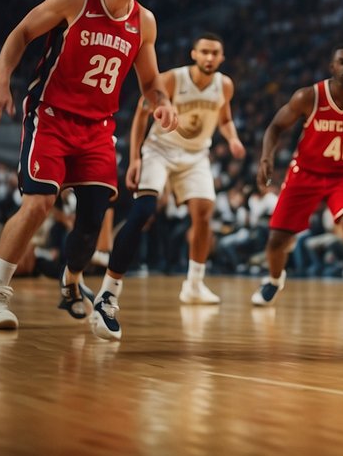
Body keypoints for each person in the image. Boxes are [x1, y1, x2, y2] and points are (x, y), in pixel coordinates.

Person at [0, 0, 177, 333]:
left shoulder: (144, 21)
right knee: (39, 203)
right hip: (52, 116)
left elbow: (151, 82)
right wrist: (1, 83)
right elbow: (21, 33)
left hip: (97, 129)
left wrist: (162, 102)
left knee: (93, 219)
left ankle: (71, 281)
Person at [99, 33, 246, 329]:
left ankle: (194, 285)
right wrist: (136, 157)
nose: (209, 57)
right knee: (143, 211)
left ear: (221, 57)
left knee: (204, 213)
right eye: (204, 51)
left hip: (196, 155)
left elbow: (225, 118)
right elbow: (141, 116)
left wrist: (233, 138)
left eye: (214, 53)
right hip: (160, 149)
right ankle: (109, 289)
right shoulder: (172, 80)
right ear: (193, 53)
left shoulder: (225, 85)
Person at [251, 47, 343, 311]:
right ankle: (275, 281)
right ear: (332, 67)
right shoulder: (309, 96)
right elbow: (275, 126)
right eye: (342, 63)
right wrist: (266, 158)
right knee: (277, 239)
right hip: (305, 172)